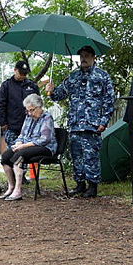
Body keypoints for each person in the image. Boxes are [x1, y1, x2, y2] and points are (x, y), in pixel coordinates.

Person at [46, 45, 115, 198]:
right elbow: (59, 95)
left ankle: (92, 186)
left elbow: (109, 101)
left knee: (91, 156)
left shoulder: (102, 76)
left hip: (93, 124)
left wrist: (104, 121)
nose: (83, 58)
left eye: (87, 55)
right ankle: (80, 184)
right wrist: (51, 90)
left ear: (93, 58)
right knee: (76, 155)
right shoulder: (73, 77)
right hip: (75, 123)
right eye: (81, 56)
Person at [0, 94, 57, 201]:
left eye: (32, 110)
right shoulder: (28, 117)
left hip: (46, 148)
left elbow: (45, 139)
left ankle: (17, 191)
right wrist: (18, 143)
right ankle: (11, 187)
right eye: (28, 111)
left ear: (40, 107)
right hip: (27, 146)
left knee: (19, 155)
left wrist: (24, 146)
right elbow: (22, 135)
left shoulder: (47, 117)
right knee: (6, 156)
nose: (30, 113)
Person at [0, 59, 40, 151]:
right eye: (21, 73)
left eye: (25, 74)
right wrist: (3, 123)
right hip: (12, 126)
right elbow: (1, 105)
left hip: (30, 126)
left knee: (28, 153)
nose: (23, 76)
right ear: (15, 70)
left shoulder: (32, 85)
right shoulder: (6, 85)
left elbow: (38, 104)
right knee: (14, 152)